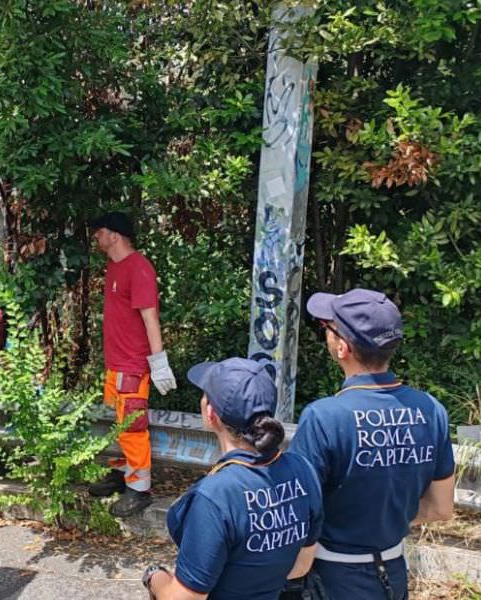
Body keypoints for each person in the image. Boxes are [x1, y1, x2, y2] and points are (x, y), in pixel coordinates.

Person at [288, 288, 456, 599]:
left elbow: (298, 516)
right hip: (393, 574)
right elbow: (441, 508)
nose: (324, 333)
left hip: (331, 579)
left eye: (327, 327)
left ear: (343, 347)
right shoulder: (431, 410)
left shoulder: (324, 416)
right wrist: (386, 519)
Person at [143, 358, 323, 600]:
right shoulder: (302, 469)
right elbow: (301, 566)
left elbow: (185, 598)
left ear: (211, 413)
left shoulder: (215, 496)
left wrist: (155, 578)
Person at [86, 211, 176, 518]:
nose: (96, 237)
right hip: (116, 364)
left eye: (99, 232)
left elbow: (150, 317)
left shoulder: (138, 268)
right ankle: (121, 474)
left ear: (114, 235)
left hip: (133, 366)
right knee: (119, 426)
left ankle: (139, 490)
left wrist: (158, 363)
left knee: (133, 428)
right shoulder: (114, 266)